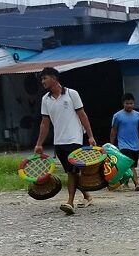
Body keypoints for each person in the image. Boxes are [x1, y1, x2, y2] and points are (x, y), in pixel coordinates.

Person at [32, 67, 97, 215]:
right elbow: (45, 123)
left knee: (72, 172)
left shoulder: (71, 94)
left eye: (45, 78)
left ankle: (70, 202)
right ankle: (87, 196)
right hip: (59, 141)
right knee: (71, 171)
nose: (42, 81)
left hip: (74, 138)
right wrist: (39, 144)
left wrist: (90, 136)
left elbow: (82, 115)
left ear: (54, 78)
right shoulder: (45, 99)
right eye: (41, 79)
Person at [110, 92, 139, 191]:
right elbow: (114, 130)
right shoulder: (117, 116)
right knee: (130, 165)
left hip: (135, 145)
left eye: (131, 103)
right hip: (123, 145)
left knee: (130, 165)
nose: (129, 105)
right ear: (123, 103)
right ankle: (136, 184)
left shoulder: (138, 115)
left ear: (134, 103)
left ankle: (125, 182)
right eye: (127, 103)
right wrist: (111, 144)